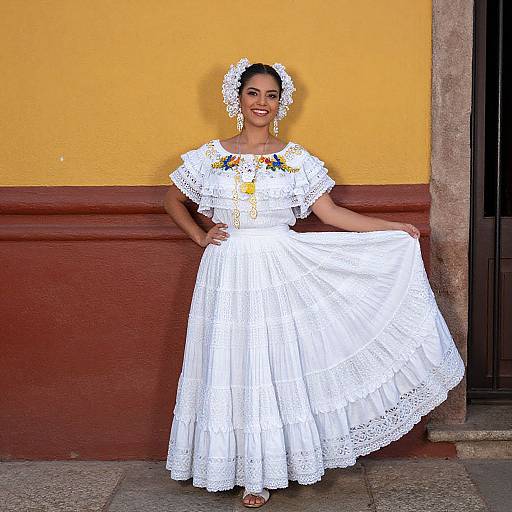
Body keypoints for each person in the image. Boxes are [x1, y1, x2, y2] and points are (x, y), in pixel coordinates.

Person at [163, 58, 465, 508]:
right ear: (237, 98)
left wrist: (391, 228)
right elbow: (172, 198)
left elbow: (332, 214)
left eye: (271, 95)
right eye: (253, 93)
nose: (261, 103)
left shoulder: (295, 160)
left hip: (278, 267)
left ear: (280, 103)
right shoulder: (210, 157)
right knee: (233, 362)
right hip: (226, 271)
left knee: (276, 363)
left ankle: (266, 471)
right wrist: (201, 236)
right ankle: (239, 468)